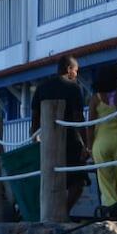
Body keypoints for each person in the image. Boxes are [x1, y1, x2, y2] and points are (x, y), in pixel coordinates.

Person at [31, 56, 89, 210]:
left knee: (52, 178)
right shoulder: (74, 88)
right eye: (76, 71)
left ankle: (55, 211)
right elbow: (78, 118)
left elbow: (35, 117)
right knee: (78, 180)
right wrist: (86, 143)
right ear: (69, 69)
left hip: (48, 140)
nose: (76, 75)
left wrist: (34, 138)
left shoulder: (41, 88)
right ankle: (63, 210)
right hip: (71, 139)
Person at [89, 64, 117, 208]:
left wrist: (89, 146)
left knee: (105, 179)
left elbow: (90, 125)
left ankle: (111, 208)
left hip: (101, 142)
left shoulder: (96, 98)